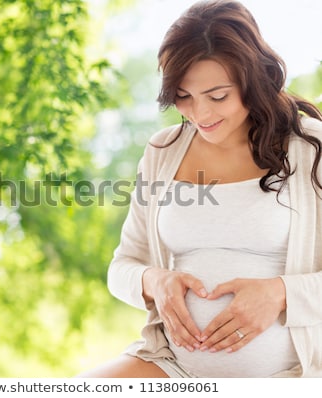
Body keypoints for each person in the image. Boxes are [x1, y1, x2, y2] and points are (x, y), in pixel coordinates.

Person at [77, 0, 322, 378]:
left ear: (253, 78)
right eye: (183, 97)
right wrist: (154, 281)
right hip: (173, 365)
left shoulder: (311, 148)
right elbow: (122, 267)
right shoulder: (164, 151)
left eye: (217, 96)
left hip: (292, 373)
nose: (200, 115)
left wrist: (281, 293)